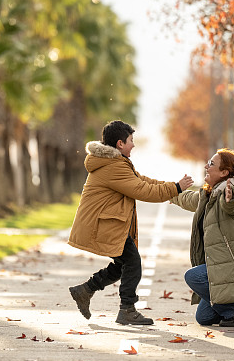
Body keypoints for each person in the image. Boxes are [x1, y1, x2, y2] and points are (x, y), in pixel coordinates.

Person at [67, 120, 194, 325]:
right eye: (131, 141)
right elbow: (142, 190)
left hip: (106, 224)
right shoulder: (113, 166)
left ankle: (85, 290)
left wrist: (173, 187)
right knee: (132, 263)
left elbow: (142, 181)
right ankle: (127, 310)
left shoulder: (116, 163)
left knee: (123, 265)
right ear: (120, 143)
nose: (133, 145)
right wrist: (175, 188)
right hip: (101, 225)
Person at [170, 148, 234, 327]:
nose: (206, 166)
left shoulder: (230, 192)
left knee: (193, 277)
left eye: (212, 164)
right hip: (223, 268)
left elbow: (233, 204)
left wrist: (231, 198)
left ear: (224, 173)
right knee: (204, 318)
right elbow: (190, 199)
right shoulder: (209, 194)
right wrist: (170, 192)